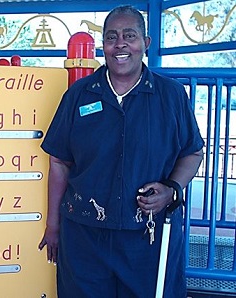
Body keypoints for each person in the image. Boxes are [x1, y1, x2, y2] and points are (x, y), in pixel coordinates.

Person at [38, 5, 204, 298]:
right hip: (84, 237)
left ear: (145, 44)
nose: (120, 44)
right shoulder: (79, 95)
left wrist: (171, 190)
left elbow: (192, 153)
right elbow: (59, 162)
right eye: (111, 37)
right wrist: (53, 226)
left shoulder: (171, 95)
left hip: (147, 240)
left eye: (130, 35)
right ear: (104, 46)